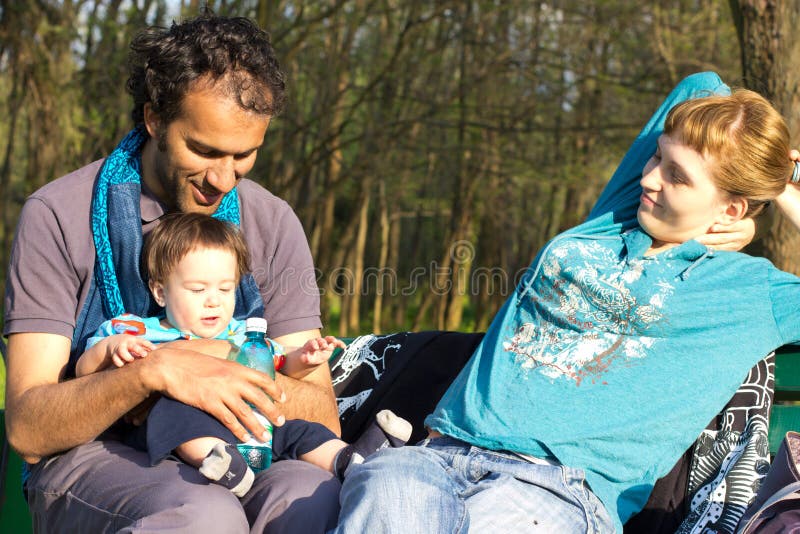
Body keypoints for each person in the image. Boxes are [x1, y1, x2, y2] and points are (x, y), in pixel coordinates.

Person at [332, 72, 800, 534]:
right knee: (381, 482)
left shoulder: (749, 292)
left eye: (677, 177)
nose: (651, 179)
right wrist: (762, 164)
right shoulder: (613, 220)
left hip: (556, 492)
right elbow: (700, 83)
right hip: (437, 456)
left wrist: (780, 188)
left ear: (732, 208)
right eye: (657, 155)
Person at [3, 11, 343, 532]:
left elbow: (320, 414)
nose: (223, 178)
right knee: (204, 514)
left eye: (244, 155)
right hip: (93, 454)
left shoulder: (273, 223)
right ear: (154, 119)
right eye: (203, 150)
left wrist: (213, 359)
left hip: (247, 447)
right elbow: (28, 428)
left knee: (316, 495)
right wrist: (153, 373)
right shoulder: (58, 215)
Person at [76, 213, 412, 497]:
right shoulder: (137, 330)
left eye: (225, 289)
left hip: (247, 426)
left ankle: (350, 459)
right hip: (178, 431)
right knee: (173, 409)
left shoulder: (240, 336)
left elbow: (276, 364)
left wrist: (304, 359)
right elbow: (83, 369)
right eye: (198, 290)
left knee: (294, 427)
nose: (214, 301)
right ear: (161, 291)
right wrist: (111, 349)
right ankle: (221, 464)